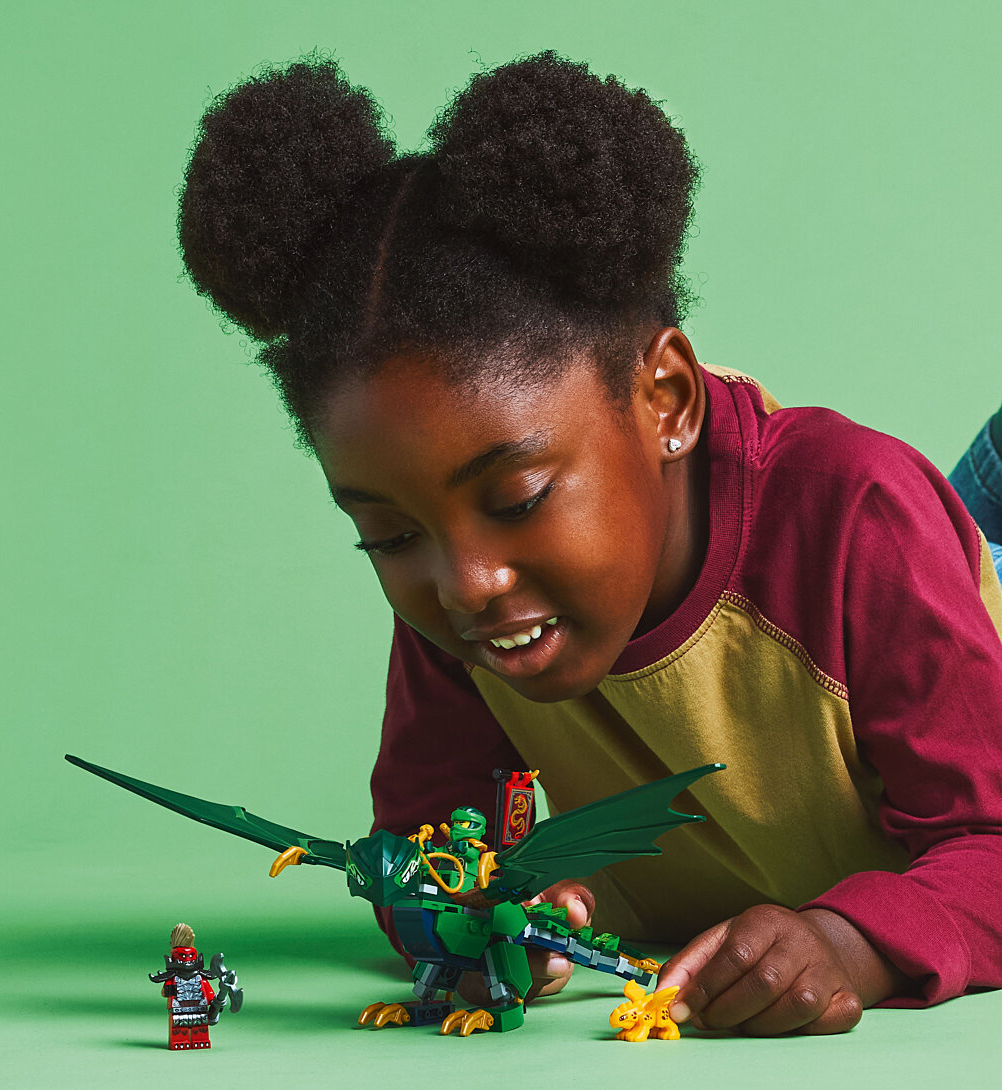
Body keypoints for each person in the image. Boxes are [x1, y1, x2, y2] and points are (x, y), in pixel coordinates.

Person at [175, 51, 1002, 1036]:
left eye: (519, 499)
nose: (467, 582)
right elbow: (418, 851)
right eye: (388, 534)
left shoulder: (855, 512)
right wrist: (478, 922)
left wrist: (846, 941)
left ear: (666, 401)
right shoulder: (469, 601)